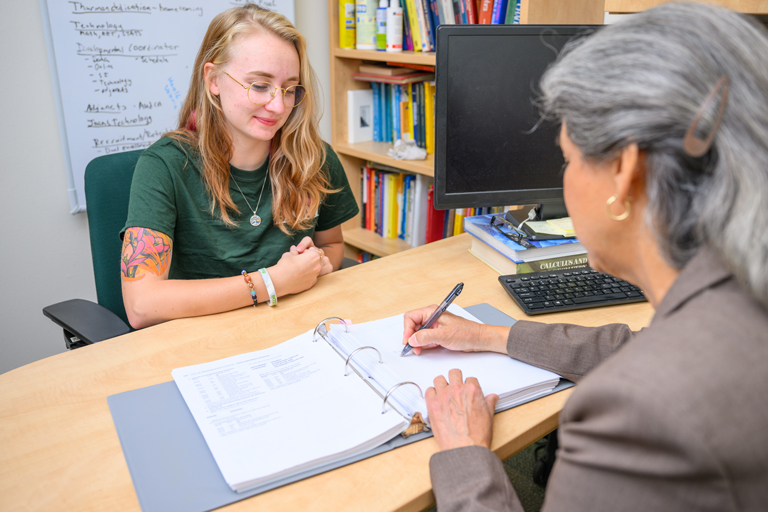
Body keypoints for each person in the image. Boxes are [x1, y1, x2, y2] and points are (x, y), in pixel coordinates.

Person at [402, 3, 768, 511]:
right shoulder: (738, 301)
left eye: (568, 158)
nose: (563, 179)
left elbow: (649, 371)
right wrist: (489, 336)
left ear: (624, 172)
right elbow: (640, 347)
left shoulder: (634, 414)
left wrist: (464, 452)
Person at [120, 5, 358, 329]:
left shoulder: (312, 157)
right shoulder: (164, 166)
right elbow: (142, 305)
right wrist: (272, 282)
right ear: (213, 79)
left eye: (290, 89)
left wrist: (316, 265)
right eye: (259, 86)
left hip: (293, 330)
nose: (278, 106)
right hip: (198, 342)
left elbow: (331, 245)